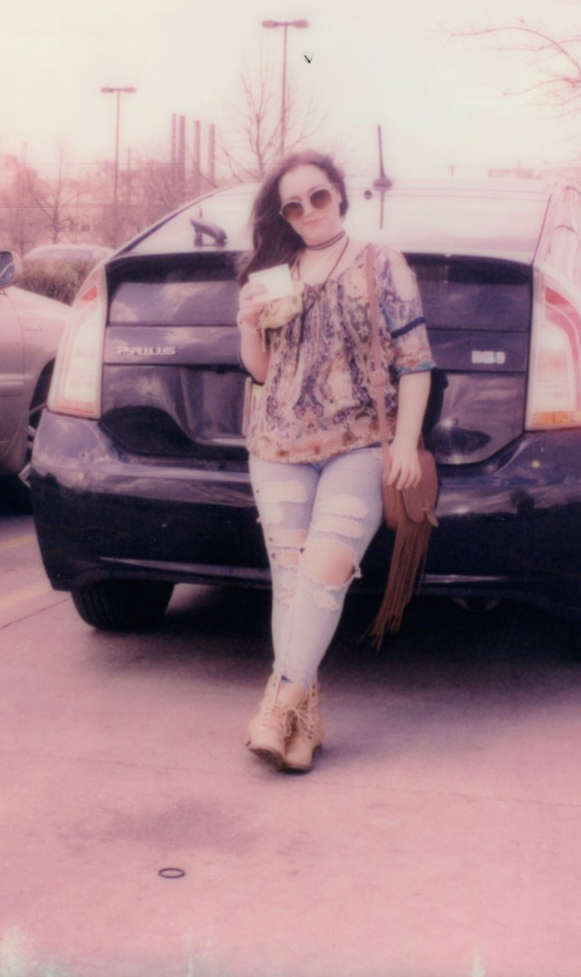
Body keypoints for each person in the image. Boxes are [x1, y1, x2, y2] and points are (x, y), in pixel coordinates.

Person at [236, 150, 435, 772]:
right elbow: (264, 371)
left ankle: (278, 704)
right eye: (293, 205)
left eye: (318, 197)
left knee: (326, 568)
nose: (308, 212)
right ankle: (305, 722)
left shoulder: (383, 264)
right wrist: (247, 323)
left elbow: (417, 361)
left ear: (340, 197)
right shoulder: (275, 275)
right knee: (292, 583)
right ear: (284, 215)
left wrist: (404, 441)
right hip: (278, 447)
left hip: (357, 443)